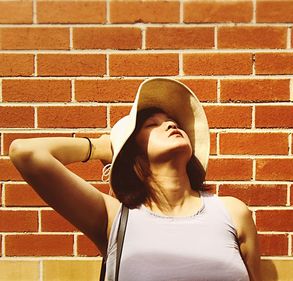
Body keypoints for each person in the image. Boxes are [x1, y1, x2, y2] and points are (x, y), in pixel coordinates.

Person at [9, 78, 262, 281]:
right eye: (152, 124)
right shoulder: (114, 217)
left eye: (173, 122)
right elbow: (27, 153)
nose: (170, 125)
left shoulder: (232, 212)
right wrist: (102, 146)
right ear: (133, 152)